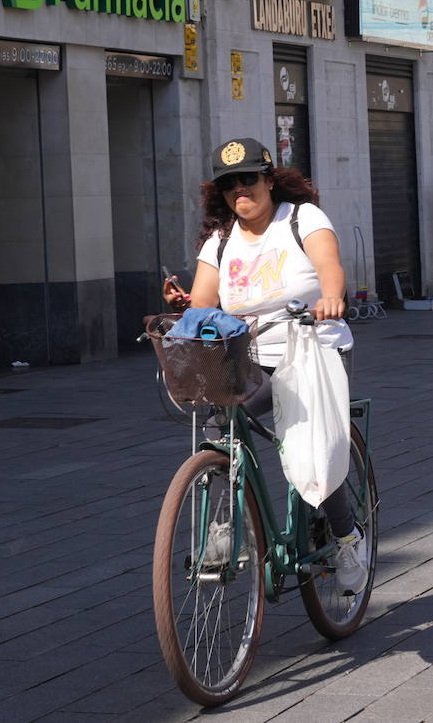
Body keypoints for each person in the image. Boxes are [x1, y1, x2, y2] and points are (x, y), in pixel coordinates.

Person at [162, 137, 368, 593]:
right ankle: (225, 523)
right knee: (220, 426)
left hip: (314, 345)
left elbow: (329, 265)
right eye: (230, 183)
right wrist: (184, 310)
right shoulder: (220, 242)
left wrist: (332, 296)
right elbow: (203, 304)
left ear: (269, 180)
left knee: (311, 446)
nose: (241, 190)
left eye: (249, 179)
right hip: (250, 357)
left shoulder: (301, 218)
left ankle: (346, 537)